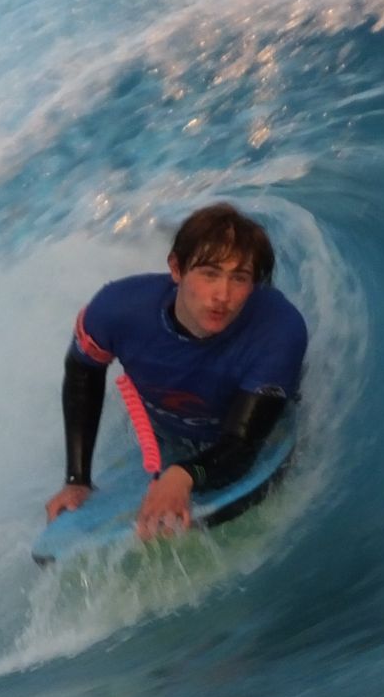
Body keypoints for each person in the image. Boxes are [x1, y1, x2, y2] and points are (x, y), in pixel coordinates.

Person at [46, 202, 308, 541]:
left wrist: (184, 475)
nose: (223, 295)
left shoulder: (277, 331)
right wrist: (76, 479)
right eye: (209, 274)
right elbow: (83, 370)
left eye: (239, 278)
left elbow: (242, 446)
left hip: (249, 436)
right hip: (164, 431)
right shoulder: (119, 309)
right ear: (177, 268)